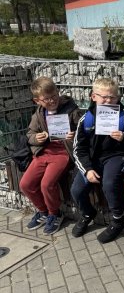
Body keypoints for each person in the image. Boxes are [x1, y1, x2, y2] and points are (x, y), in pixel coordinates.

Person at [71, 78, 124, 243]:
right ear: (93, 96)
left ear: (118, 98)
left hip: (115, 156)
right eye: (104, 97)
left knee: (109, 183)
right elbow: (78, 149)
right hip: (92, 160)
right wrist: (87, 170)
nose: (108, 101)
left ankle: (118, 219)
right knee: (77, 189)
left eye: (112, 97)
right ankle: (87, 213)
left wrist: (123, 138)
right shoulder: (85, 119)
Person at [20, 77, 81, 235]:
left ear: (58, 92)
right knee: (25, 184)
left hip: (63, 153)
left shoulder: (71, 109)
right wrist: (37, 138)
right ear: (37, 101)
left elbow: (84, 131)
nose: (52, 100)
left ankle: (55, 213)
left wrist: (74, 135)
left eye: (54, 95)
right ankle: (43, 211)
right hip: (44, 152)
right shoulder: (39, 113)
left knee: (46, 184)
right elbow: (30, 134)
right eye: (46, 99)